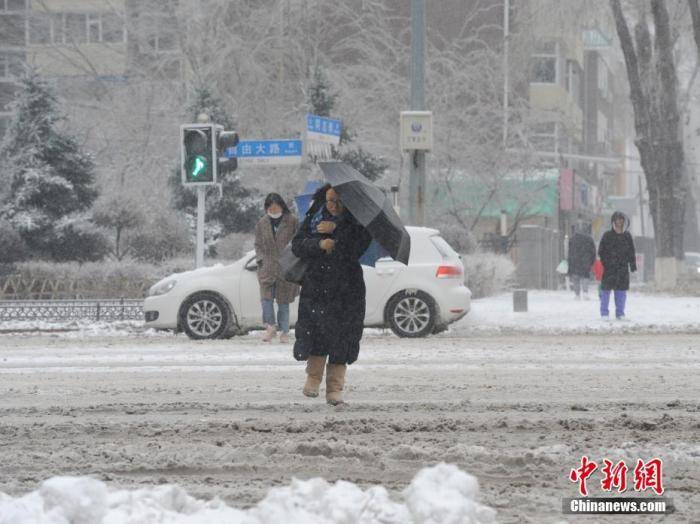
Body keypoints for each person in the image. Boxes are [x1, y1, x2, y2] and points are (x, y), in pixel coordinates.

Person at [291, 184, 372, 405]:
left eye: (338, 201)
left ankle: (335, 389)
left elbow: (357, 248)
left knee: (342, 339)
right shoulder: (313, 218)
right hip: (317, 287)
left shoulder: (357, 224)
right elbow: (297, 246)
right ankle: (313, 378)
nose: (333, 205)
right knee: (317, 332)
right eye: (329, 200)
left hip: (348, 290)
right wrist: (319, 243)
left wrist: (335, 235)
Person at [254, 193, 299, 343]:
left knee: (283, 302)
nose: (273, 210)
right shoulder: (262, 223)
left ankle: (284, 331)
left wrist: (292, 259)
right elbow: (258, 244)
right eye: (270, 208)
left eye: (276, 207)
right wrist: (261, 260)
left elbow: (297, 240)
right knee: (265, 300)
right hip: (267, 267)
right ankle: (270, 327)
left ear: (281, 206)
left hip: (285, 268)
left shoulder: (291, 221)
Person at [598, 211, 637, 320]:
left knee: (621, 292)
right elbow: (601, 251)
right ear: (613, 221)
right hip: (609, 269)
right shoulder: (607, 236)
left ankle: (620, 313)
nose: (619, 222)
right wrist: (606, 262)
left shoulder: (627, 236)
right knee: (606, 291)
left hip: (622, 269)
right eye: (617, 219)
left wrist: (632, 265)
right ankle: (604, 313)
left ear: (624, 221)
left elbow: (631, 251)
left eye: (621, 219)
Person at [567, 224, 596, 300]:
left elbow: (569, 251)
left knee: (576, 278)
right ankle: (585, 293)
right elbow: (593, 252)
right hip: (585, 261)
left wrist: (569, 261)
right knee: (585, 277)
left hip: (574, 261)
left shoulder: (572, 239)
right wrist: (592, 261)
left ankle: (577, 295)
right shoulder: (589, 239)